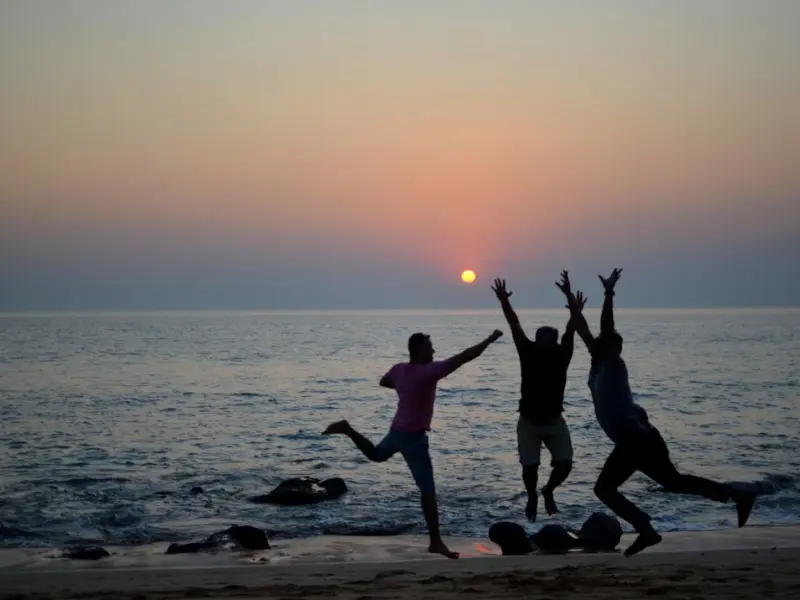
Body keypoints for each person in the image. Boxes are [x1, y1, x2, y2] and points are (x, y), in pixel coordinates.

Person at [556, 268, 757, 556]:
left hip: (634, 438)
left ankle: (647, 530)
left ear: (612, 347)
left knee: (604, 489)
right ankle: (736, 494)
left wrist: (609, 293)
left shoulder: (611, 362)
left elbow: (604, 328)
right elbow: (588, 332)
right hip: (642, 436)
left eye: (605, 340)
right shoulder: (598, 363)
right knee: (673, 482)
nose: (597, 340)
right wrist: (571, 302)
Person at [322, 329, 504, 559]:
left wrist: (403, 387)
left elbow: (383, 381)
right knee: (428, 491)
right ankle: (436, 542)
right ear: (419, 350)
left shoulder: (399, 370)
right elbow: (464, 357)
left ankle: (348, 429)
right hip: (414, 438)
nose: (434, 350)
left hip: (397, 430)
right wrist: (489, 339)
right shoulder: (429, 372)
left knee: (377, 455)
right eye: (430, 346)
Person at [491, 274, 584, 521]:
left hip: (554, 421)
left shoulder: (562, 355)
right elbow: (514, 325)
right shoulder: (527, 352)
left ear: (553, 342)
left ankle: (548, 490)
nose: (544, 344)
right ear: (537, 341)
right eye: (541, 340)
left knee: (564, 465)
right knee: (529, 468)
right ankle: (532, 494)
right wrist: (504, 301)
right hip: (529, 422)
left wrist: (570, 298)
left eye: (548, 341)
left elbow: (571, 329)